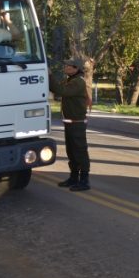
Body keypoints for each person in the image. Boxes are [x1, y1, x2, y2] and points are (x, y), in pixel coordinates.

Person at [49, 58, 92, 191]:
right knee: (72, 152)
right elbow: (57, 88)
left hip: (77, 123)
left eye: (68, 66)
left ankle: (84, 181)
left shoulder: (78, 82)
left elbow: (60, 90)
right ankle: (74, 177)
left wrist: (49, 75)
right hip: (70, 123)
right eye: (66, 65)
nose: (66, 67)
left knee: (80, 152)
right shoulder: (71, 80)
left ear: (76, 69)